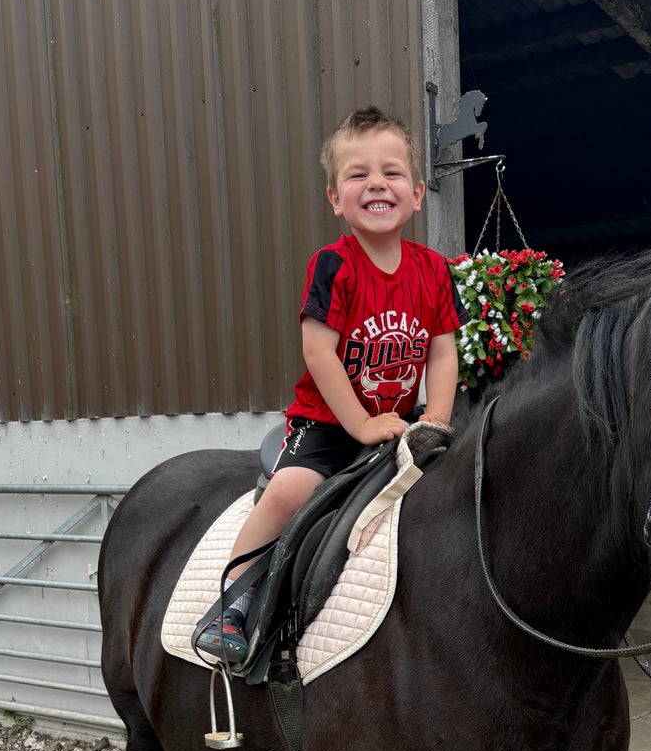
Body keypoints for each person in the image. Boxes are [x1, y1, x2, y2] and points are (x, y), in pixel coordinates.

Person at [197, 106, 469, 658]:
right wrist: (361, 424)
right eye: (358, 174)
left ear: (418, 194)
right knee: (288, 492)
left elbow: (443, 351)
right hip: (327, 425)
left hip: (399, 422)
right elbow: (319, 352)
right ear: (335, 198)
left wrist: (437, 419)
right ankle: (231, 604)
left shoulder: (434, 270)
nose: (377, 184)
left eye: (392, 172)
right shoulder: (333, 265)